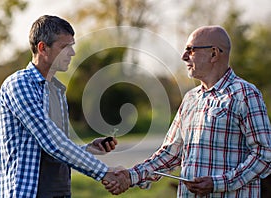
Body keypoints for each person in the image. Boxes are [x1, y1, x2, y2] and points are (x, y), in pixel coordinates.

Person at [104, 25, 271, 197]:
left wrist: (218, 184)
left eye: (191, 50)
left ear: (214, 53)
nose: (184, 57)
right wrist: (131, 176)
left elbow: (264, 154)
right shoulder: (191, 98)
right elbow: (171, 152)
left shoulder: (245, 94)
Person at [0, 15, 128, 198]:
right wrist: (104, 172)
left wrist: (88, 149)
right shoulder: (19, 84)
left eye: (72, 46)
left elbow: (55, 149)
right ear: (43, 48)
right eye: (64, 47)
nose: (72, 53)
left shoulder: (57, 90)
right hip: (28, 193)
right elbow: (52, 141)